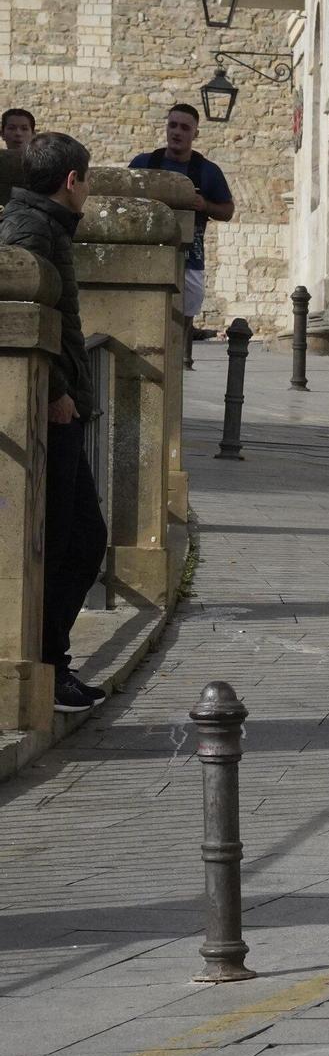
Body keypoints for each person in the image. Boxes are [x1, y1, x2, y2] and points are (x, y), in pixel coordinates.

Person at [0, 132, 109, 714]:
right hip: (52, 409)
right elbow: (20, 310)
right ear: (71, 181)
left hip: (63, 406)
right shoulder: (29, 229)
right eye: (86, 180)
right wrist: (58, 391)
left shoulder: (42, 224)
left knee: (80, 536)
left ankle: (51, 662)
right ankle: (45, 665)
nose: (88, 190)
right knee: (68, 539)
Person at [131, 104, 232, 342]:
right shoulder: (143, 163)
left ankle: (182, 357)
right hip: (147, 250)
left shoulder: (208, 172)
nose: (177, 132)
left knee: (187, 309)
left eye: (185, 128)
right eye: (172, 125)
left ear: (195, 133)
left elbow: (227, 211)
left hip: (190, 257)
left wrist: (204, 205)